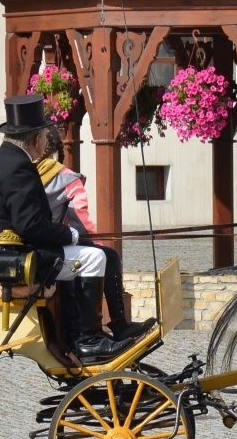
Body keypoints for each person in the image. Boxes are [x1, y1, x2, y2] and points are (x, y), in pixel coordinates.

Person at [0, 95, 125, 363]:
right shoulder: (18, 167)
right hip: (11, 259)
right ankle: (88, 340)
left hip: (5, 252)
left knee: (106, 256)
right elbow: (29, 225)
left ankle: (119, 325)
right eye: (44, 135)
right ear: (34, 139)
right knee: (94, 258)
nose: (45, 142)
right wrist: (69, 234)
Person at [36, 124, 154, 343]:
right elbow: (80, 220)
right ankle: (112, 326)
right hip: (53, 247)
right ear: (57, 149)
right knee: (108, 256)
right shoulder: (67, 178)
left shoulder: (27, 173)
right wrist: (97, 245)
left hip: (40, 246)